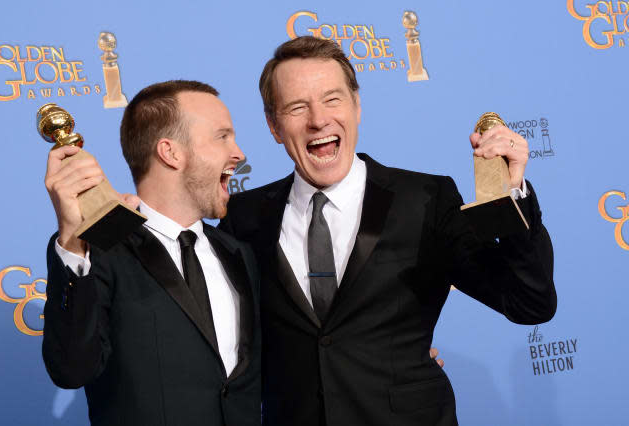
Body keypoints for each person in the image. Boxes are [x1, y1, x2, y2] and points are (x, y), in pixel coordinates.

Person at [219, 36, 556, 426]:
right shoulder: (243, 218)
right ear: (274, 126)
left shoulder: (427, 200)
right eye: (297, 107)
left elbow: (529, 303)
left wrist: (510, 194)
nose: (318, 119)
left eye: (333, 99)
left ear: (357, 106)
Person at [42, 80, 261, 426]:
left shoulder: (237, 253)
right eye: (222, 137)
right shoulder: (101, 250)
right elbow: (71, 369)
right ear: (170, 152)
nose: (239, 153)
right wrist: (72, 239)